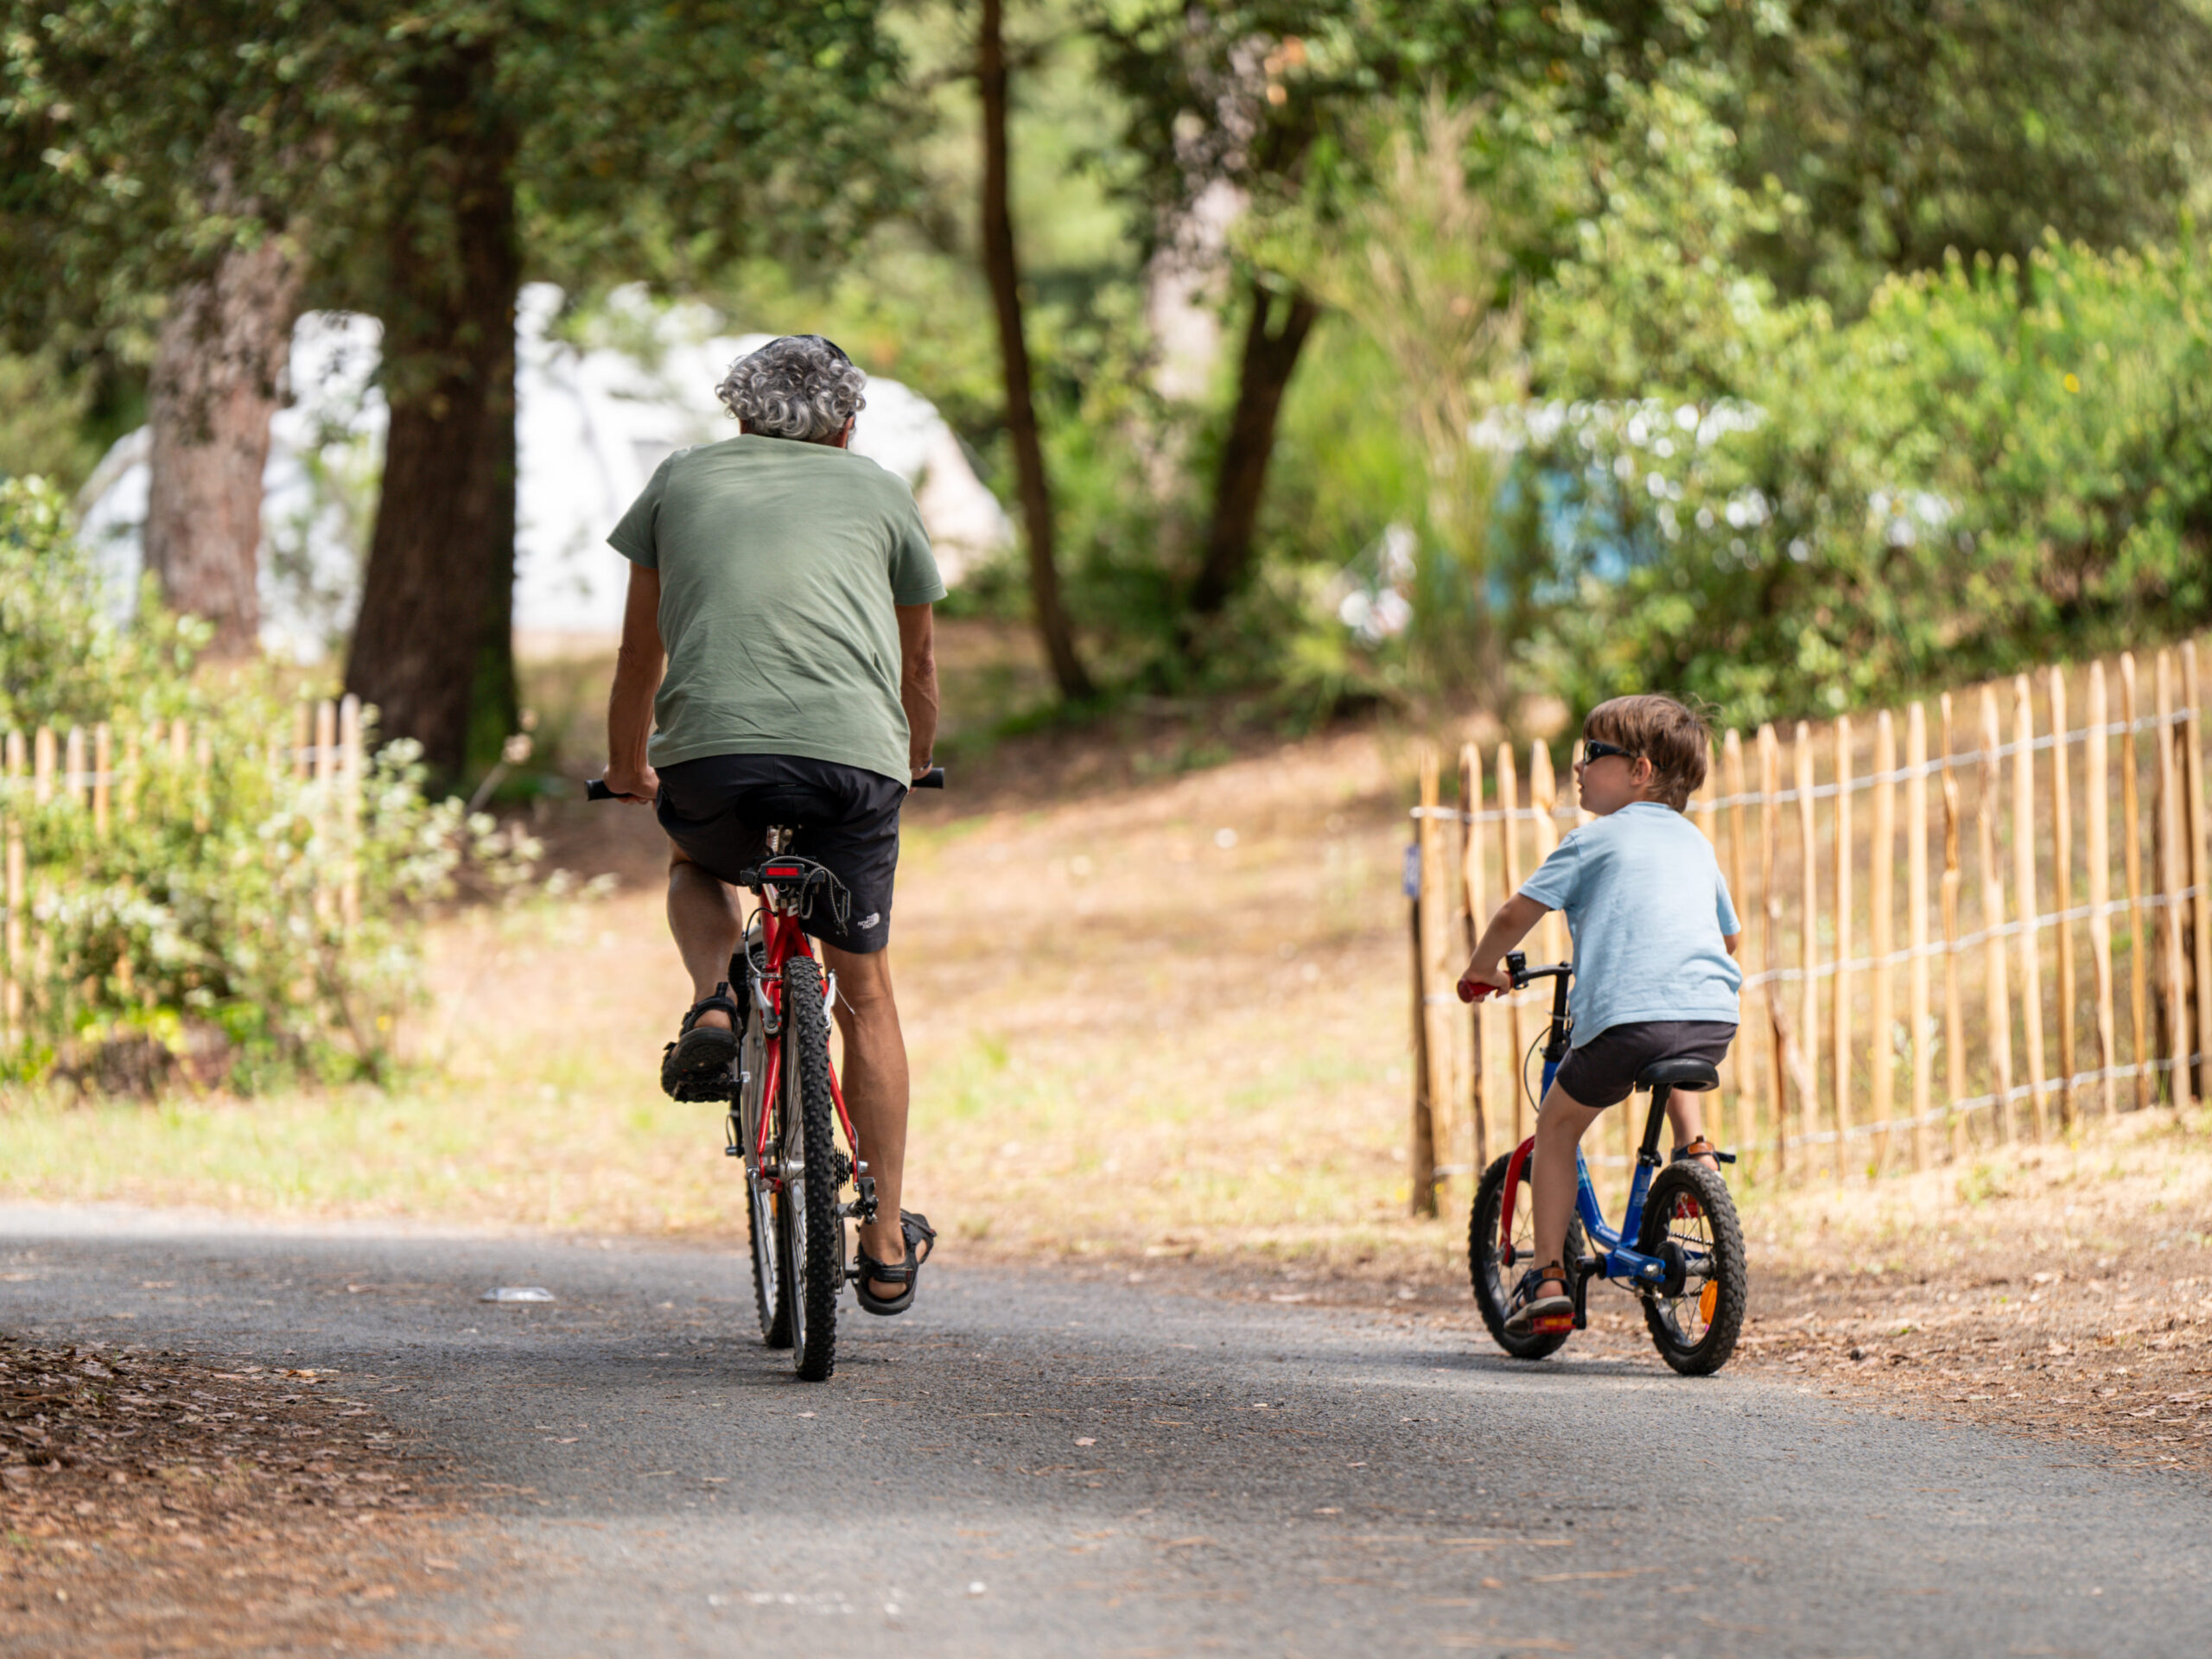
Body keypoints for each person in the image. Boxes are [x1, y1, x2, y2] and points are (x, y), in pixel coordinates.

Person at [599, 334, 944, 1315]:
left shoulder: (680, 480)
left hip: (713, 758)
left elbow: (637, 654)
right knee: (863, 994)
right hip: (852, 767)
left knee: (692, 864)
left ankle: (715, 1000)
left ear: (738, 413)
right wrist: (913, 763)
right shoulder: (879, 490)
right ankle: (882, 1242)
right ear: (846, 423)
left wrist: (628, 769)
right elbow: (918, 668)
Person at [1459, 695, 1743, 1335]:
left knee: (1557, 1127)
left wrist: (1481, 971)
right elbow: (1729, 940)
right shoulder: (1696, 844)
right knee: (1666, 1040)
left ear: (1639, 771)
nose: (1578, 768)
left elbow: (1512, 917)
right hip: (1712, 1017)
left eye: (1592, 754)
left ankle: (1551, 1277)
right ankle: (1693, 1151)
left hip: (1627, 1024)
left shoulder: (1592, 841)